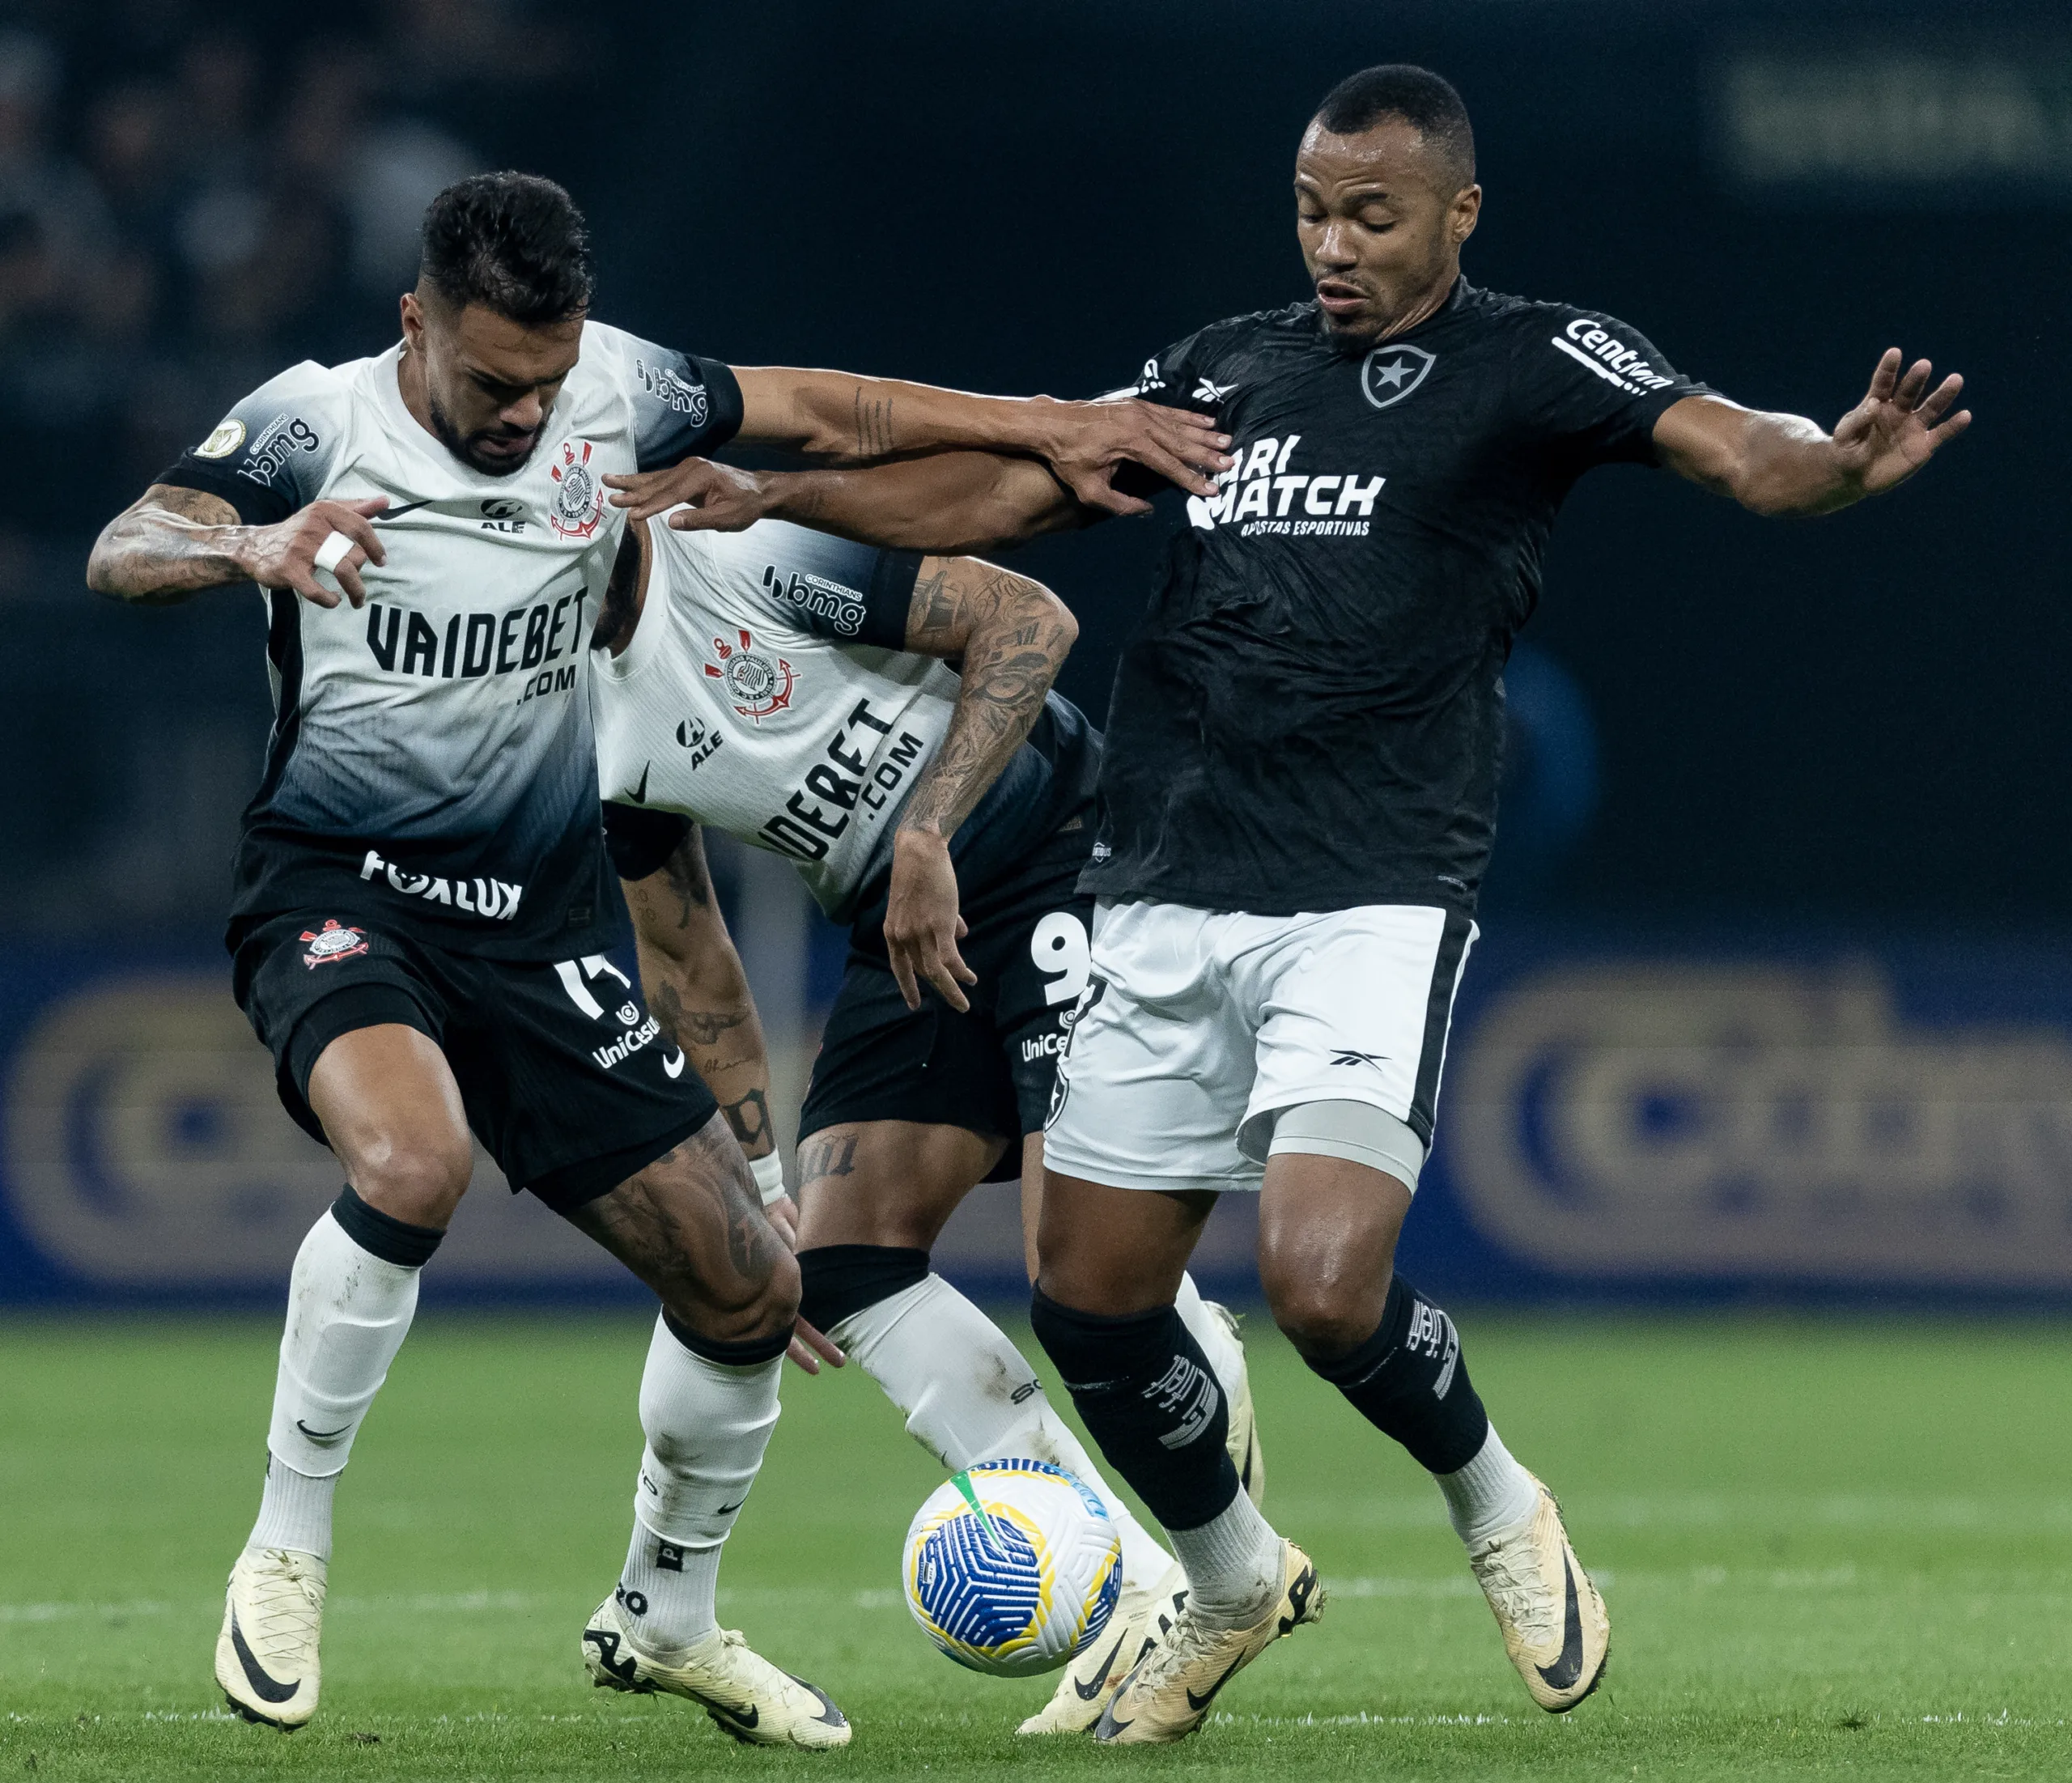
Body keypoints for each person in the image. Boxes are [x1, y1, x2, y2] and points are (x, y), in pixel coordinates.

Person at [611, 63, 1971, 1745]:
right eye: (1313, 212)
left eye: (1372, 216)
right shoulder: (1218, 372)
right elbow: (1007, 495)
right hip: (1167, 877)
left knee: (1324, 1284)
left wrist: (1823, 463)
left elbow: (1730, 451)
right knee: (1090, 1301)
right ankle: (1232, 1583)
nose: (1334, 244)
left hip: (1373, 882)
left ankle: (1494, 1506)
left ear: (1458, 215)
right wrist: (777, 493)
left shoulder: (1530, 359)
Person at [83, 170, 1226, 1747]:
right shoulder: (311, 421)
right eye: (494, 392)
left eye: (551, 403)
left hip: (545, 929)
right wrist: (254, 548)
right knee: (413, 1163)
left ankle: (662, 1621)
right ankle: (287, 1547)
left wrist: (1051, 423)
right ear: (416, 327)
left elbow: (830, 423)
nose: (528, 431)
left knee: (758, 1280)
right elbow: (128, 546)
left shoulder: (636, 445)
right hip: (347, 881)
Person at [583, 503, 1264, 1734]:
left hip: (1060, 840)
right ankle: (1127, 1580)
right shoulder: (585, 717)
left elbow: (1027, 618)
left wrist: (927, 826)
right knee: (834, 1258)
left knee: (1082, 1277)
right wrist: (757, 1167)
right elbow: (685, 946)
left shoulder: (743, 551)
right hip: (894, 914)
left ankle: (1208, 1436)